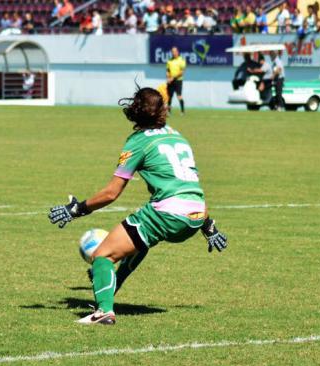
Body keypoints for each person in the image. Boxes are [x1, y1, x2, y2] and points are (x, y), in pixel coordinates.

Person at [48, 87, 228, 325]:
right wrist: (208, 227)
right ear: (163, 110)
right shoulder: (178, 136)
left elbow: (112, 193)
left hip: (168, 214)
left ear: (135, 111)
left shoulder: (138, 141)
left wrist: (76, 209)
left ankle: (103, 312)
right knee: (139, 241)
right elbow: (188, 185)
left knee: (102, 255)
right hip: (196, 216)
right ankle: (108, 292)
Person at [166, 46, 186, 115]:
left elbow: (182, 72)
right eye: (172, 51)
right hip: (170, 81)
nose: (173, 53)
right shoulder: (169, 61)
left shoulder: (181, 60)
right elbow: (168, 71)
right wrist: (168, 78)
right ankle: (169, 111)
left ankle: (182, 111)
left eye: (174, 51)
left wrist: (173, 78)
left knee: (179, 96)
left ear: (177, 52)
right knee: (169, 96)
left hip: (178, 81)